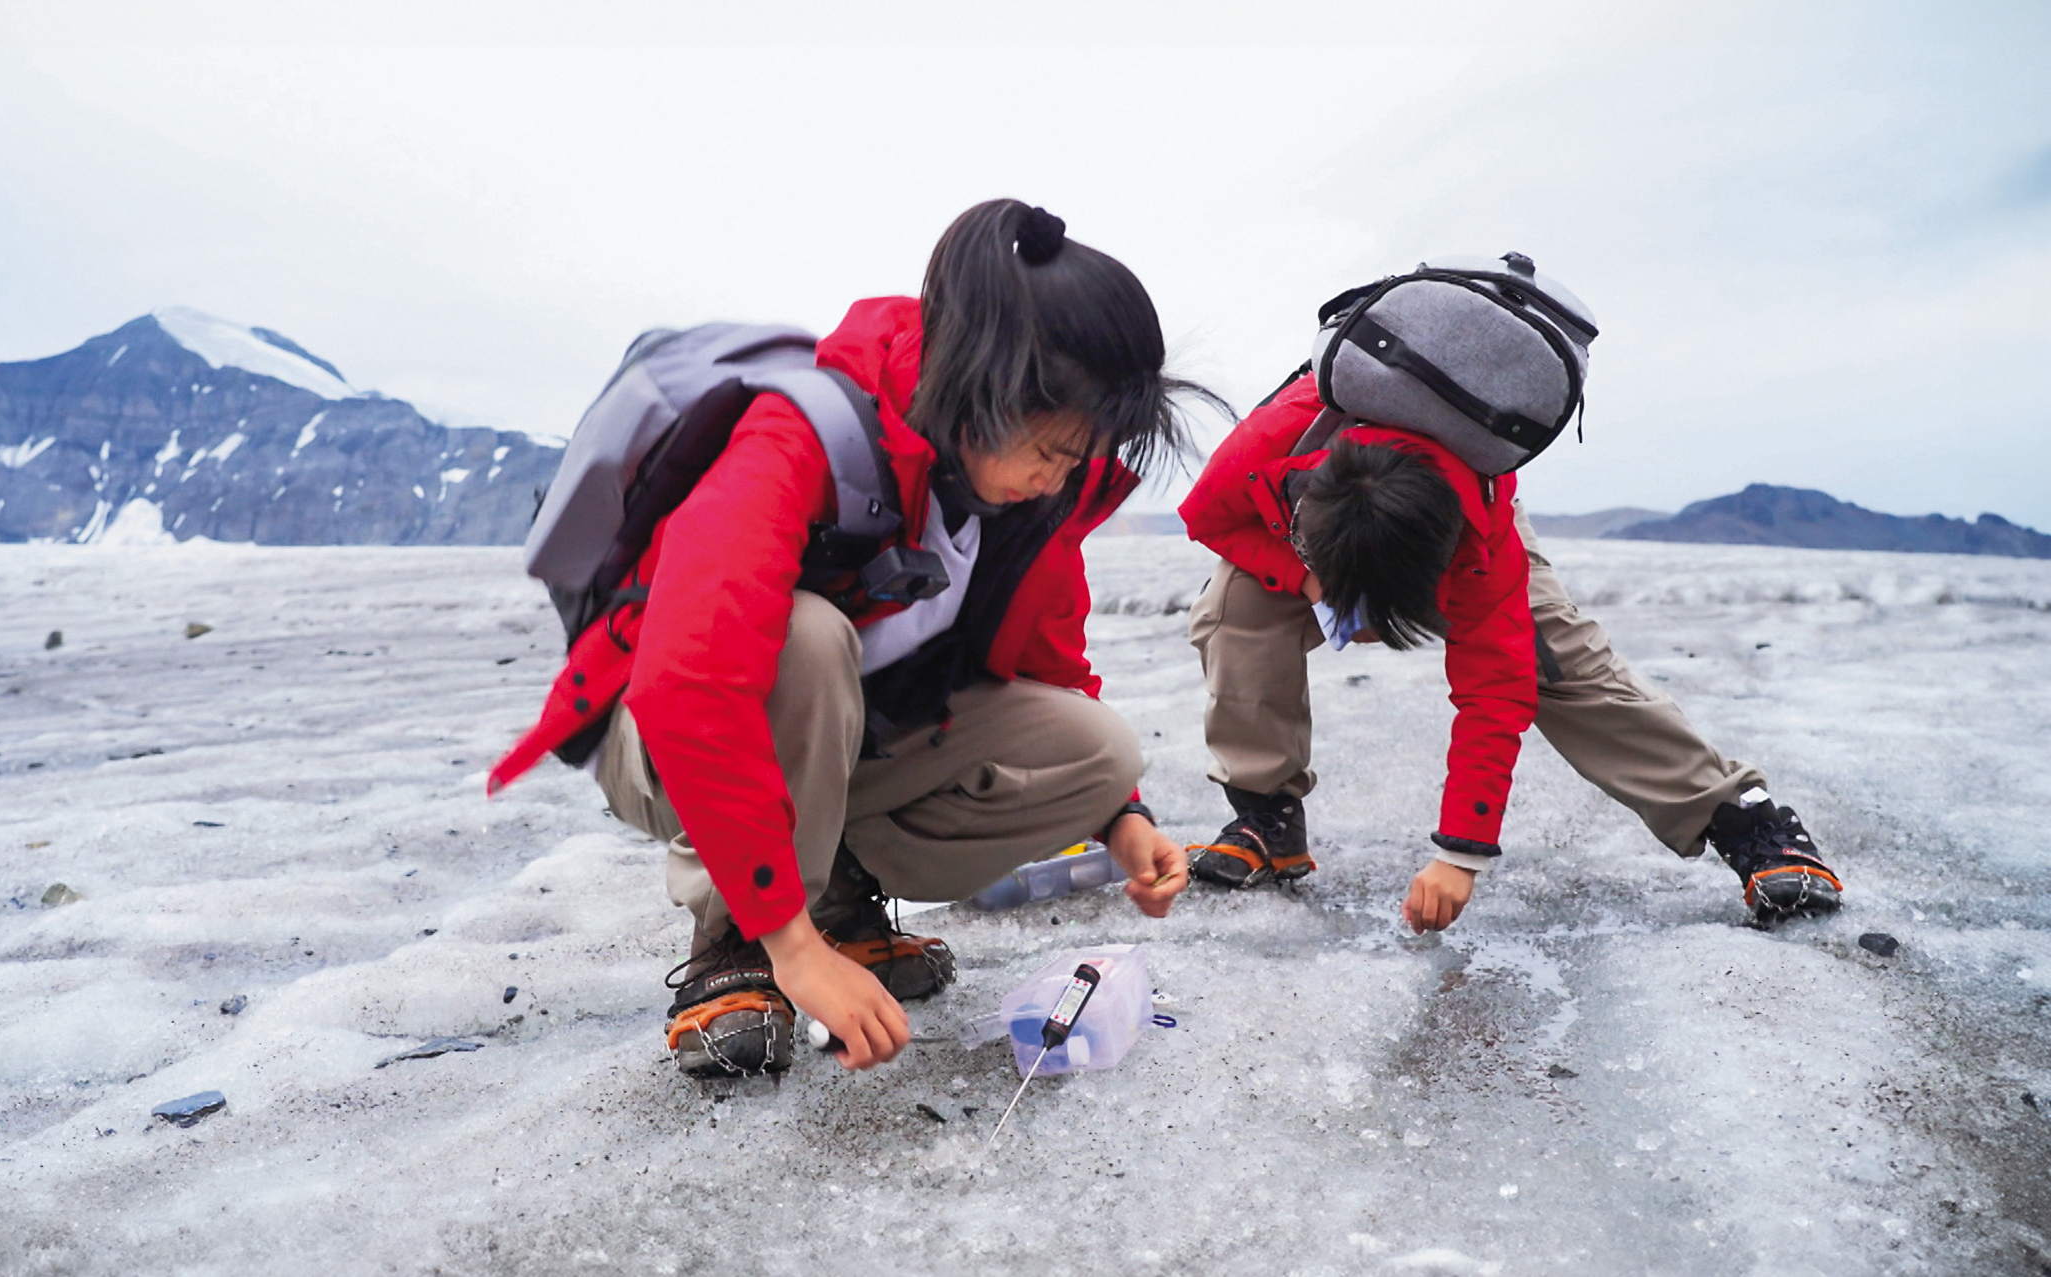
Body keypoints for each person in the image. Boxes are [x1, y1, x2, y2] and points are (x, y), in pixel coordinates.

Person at [497, 200, 1199, 1079]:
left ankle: (837, 898)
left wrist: (1122, 816)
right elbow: (690, 681)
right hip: (661, 737)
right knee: (804, 638)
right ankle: (737, 940)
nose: (1058, 479)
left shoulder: (1022, 496)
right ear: (989, 388)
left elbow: (1049, 664)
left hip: (837, 743)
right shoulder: (800, 438)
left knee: (1097, 749)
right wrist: (788, 945)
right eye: (1052, 451)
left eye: (1076, 458)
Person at [1179, 371, 1843, 929]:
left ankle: (1740, 819)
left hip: (1448, 516)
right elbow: (1205, 516)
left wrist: (1460, 853)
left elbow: (1495, 692)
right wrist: (1310, 580)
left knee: (1553, 658)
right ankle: (1266, 817)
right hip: (1305, 537)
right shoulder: (1271, 445)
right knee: (1232, 611)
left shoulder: (1479, 543)